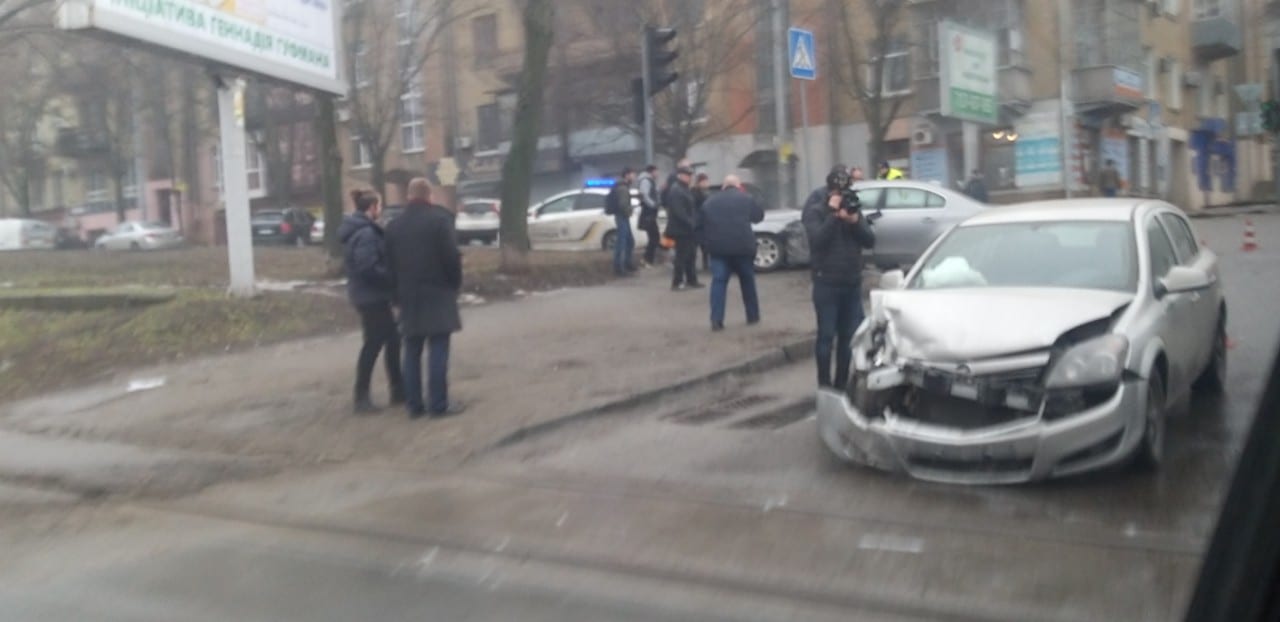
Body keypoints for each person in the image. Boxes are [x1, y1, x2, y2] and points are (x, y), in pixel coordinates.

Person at [385, 178, 465, 419]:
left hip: (408, 296)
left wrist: (395, 298)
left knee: (411, 351)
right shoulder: (440, 222)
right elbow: (452, 259)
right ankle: (438, 404)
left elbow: (389, 267)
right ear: (429, 196)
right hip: (438, 293)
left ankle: (414, 405)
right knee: (438, 349)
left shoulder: (393, 226)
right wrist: (454, 285)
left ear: (408, 197)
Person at [802, 168, 876, 390]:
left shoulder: (852, 208)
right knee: (826, 336)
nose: (842, 195)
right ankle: (824, 385)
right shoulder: (815, 211)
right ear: (829, 191)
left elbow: (869, 241)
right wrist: (833, 216)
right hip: (826, 283)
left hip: (851, 282)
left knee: (848, 338)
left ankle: (841, 383)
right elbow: (817, 242)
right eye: (838, 191)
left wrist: (854, 221)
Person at [340, 189, 403, 414]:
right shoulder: (366, 233)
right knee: (375, 344)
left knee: (392, 340)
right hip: (372, 296)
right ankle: (362, 396)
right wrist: (390, 277)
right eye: (380, 206)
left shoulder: (360, 230)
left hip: (368, 295)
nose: (381, 210)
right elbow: (367, 266)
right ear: (372, 208)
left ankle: (397, 389)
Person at [698, 174, 764, 331]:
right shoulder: (747, 198)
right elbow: (758, 217)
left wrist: (706, 244)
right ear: (738, 185)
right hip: (743, 248)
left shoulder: (709, 202)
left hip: (719, 250)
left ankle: (716, 320)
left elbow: (699, 225)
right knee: (747, 281)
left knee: (719, 283)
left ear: (723, 186)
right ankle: (752, 316)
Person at [664, 166, 702, 291]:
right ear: (680, 176)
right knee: (681, 256)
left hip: (688, 228)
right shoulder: (677, 190)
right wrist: (691, 222)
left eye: (690, 175)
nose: (690, 177)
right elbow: (679, 211)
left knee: (691, 255)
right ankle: (677, 282)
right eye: (687, 175)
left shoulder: (685, 189)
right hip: (680, 229)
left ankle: (692, 280)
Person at [606, 167, 637, 277]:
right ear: (627, 175)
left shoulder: (621, 186)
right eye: (633, 174)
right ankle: (619, 267)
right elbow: (623, 204)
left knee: (629, 241)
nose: (634, 177)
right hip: (622, 216)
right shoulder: (623, 188)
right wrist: (630, 211)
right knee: (622, 242)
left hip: (622, 216)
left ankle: (626, 264)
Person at [637, 164, 662, 267]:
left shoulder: (650, 181)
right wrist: (653, 205)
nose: (658, 173)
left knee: (654, 236)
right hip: (648, 213)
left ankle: (648, 259)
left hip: (651, 213)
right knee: (654, 237)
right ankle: (647, 259)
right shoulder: (646, 181)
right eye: (657, 171)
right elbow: (645, 196)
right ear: (652, 171)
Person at [693, 172, 712, 271]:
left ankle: (705, 264)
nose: (707, 183)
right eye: (705, 181)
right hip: (698, 222)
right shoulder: (696, 192)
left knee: (704, 245)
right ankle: (695, 265)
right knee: (697, 244)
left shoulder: (704, 192)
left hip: (702, 221)